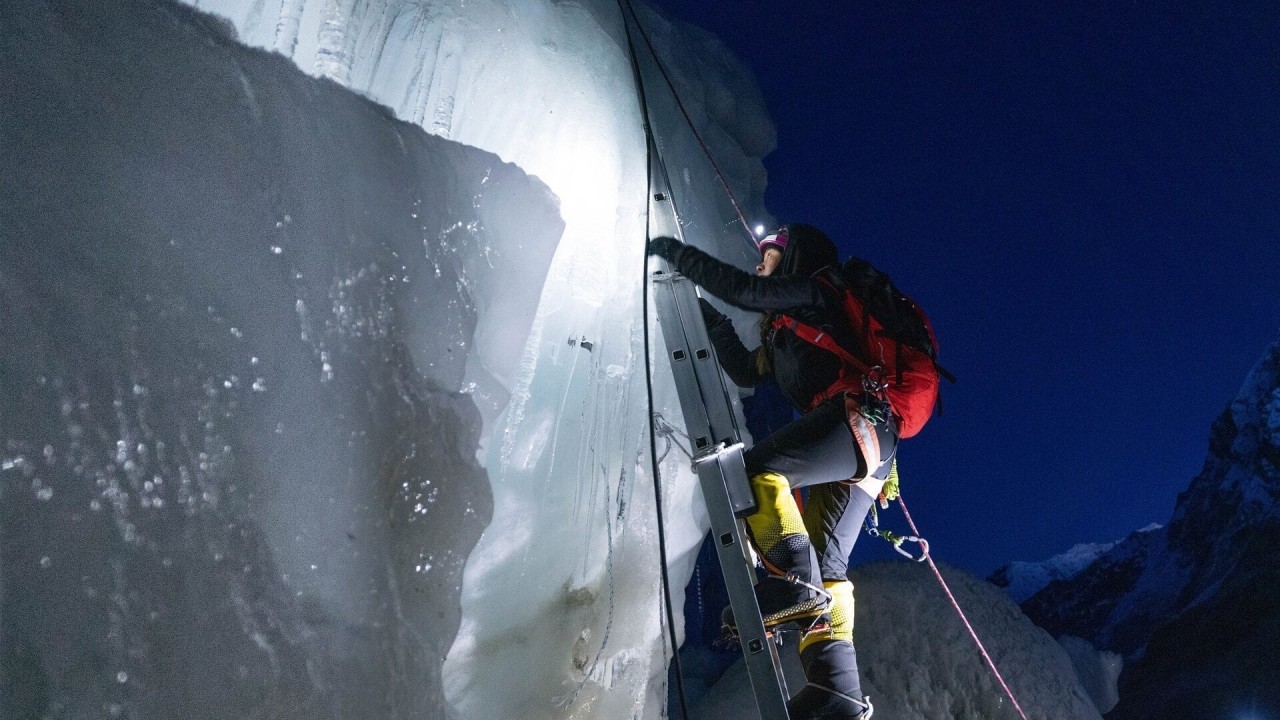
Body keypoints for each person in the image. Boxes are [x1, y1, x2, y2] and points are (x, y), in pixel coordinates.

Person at [648, 224, 899, 720]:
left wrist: (676, 255)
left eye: (770, 254)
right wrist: (701, 314)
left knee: (755, 470)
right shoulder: (789, 333)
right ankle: (838, 690)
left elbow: (750, 291)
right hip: (864, 440)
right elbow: (745, 369)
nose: (760, 261)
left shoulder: (819, 291)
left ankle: (796, 587)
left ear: (794, 259)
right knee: (829, 571)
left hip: (855, 423)